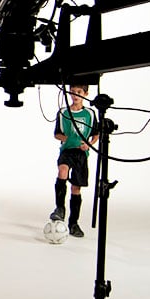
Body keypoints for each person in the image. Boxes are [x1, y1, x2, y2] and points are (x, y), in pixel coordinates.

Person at [51, 84, 98, 237]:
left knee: (76, 188)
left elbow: (96, 133)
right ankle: (60, 208)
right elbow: (57, 133)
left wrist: (88, 144)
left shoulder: (90, 113)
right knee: (62, 170)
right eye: (72, 92)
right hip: (67, 151)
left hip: (81, 154)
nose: (75, 95)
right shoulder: (63, 112)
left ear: (85, 93)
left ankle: (73, 223)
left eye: (79, 92)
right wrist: (67, 139)